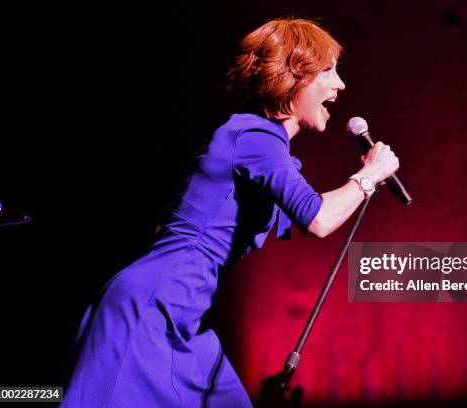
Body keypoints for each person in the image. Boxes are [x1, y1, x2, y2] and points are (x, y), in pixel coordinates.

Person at [61, 18, 399, 407]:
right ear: (293, 78)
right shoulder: (253, 137)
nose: (340, 84)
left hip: (186, 317)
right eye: (328, 71)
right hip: (151, 311)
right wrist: (370, 175)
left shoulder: (257, 142)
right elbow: (318, 218)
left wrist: (364, 180)